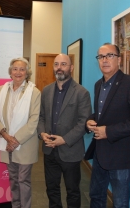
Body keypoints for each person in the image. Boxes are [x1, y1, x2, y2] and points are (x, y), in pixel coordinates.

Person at [85, 43, 130, 208]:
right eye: (101, 57)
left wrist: (109, 131)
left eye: (110, 56)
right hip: (100, 153)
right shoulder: (98, 85)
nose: (105, 60)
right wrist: (90, 120)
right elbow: (103, 113)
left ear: (119, 60)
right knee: (96, 197)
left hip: (121, 156)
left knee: (120, 203)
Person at [37, 54, 91, 208]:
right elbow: (41, 117)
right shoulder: (46, 91)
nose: (59, 67)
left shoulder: (82, 93)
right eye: (56, 64)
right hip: (49, 151)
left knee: (73, 191)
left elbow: (83, 123)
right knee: (52, 189)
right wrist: (42, 133)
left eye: (63, 64)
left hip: (70, 150)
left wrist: (64, 139)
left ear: (71, 68)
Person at [0, 57, 41, 208]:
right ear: (10, 72)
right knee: (13, 179)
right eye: (15, 69)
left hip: (25, 144)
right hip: (6, 142)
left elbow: (33, 121)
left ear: (27, 73)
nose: (18, 72)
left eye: (22, 69)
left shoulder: (35, 92)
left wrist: (15, 140)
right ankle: (16, 205)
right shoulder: (0, 91)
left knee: (23, 179)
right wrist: (7, 137)